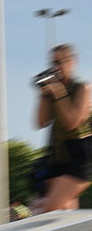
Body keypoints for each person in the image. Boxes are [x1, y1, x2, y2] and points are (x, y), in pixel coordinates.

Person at [34, 43, 92, 212]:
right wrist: (44, 96)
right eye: (53, 63)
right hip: (58, 156)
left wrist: (59, 93)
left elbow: (72, 123)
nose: (56, 68)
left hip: (81, 154)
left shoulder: (83, 88)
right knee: (64, 212)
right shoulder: (53, 92)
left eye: (60, 62)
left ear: (72, 62)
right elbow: (40, 122)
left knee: (49, 209)